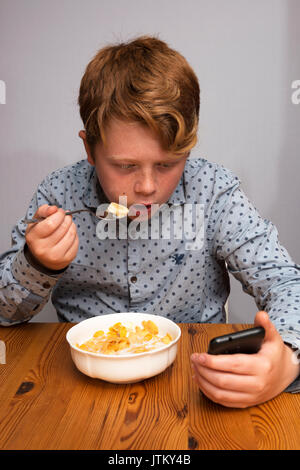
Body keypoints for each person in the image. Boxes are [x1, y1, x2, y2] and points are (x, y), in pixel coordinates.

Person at [1, 36, 300, 408]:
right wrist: (36, 263)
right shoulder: (59, 194)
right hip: (78, 389)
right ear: (89, 149)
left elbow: (285, 281)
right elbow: (5, 314)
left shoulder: (213, 191)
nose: (147, 187)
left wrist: (288, 357)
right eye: (125, 166)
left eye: (167, 164)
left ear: (187, 149)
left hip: (193, 381)